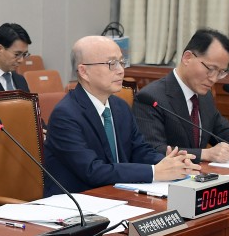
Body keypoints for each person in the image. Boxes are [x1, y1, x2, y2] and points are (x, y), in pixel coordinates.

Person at [43, 36, 199, 196]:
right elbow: (92, 170)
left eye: (121, 62)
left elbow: (139, 150)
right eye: (111, 64)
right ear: (84, 71)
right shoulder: (66, 115)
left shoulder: (120, 107)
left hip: (118, 194)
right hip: (77, 204)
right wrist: (154, 172)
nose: (120, 70)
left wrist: (169, 163)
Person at [133, 29, 229, 164]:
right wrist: (205, 154)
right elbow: (153, 150)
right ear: (187, 58)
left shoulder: (203, 96)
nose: (213, 79)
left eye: (220, 72)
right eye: (210, 69)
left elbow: (223, 131)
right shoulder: (150, 98)